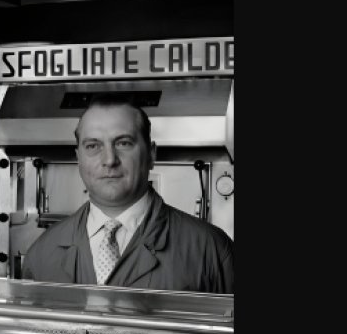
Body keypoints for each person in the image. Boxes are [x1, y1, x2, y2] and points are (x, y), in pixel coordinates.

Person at [23, 94, 233, 293]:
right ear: (79, 158)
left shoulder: (211, 250)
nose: (109, 160)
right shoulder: (41, 254)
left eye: (123, 143)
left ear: (151, 154)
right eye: (93, 146)